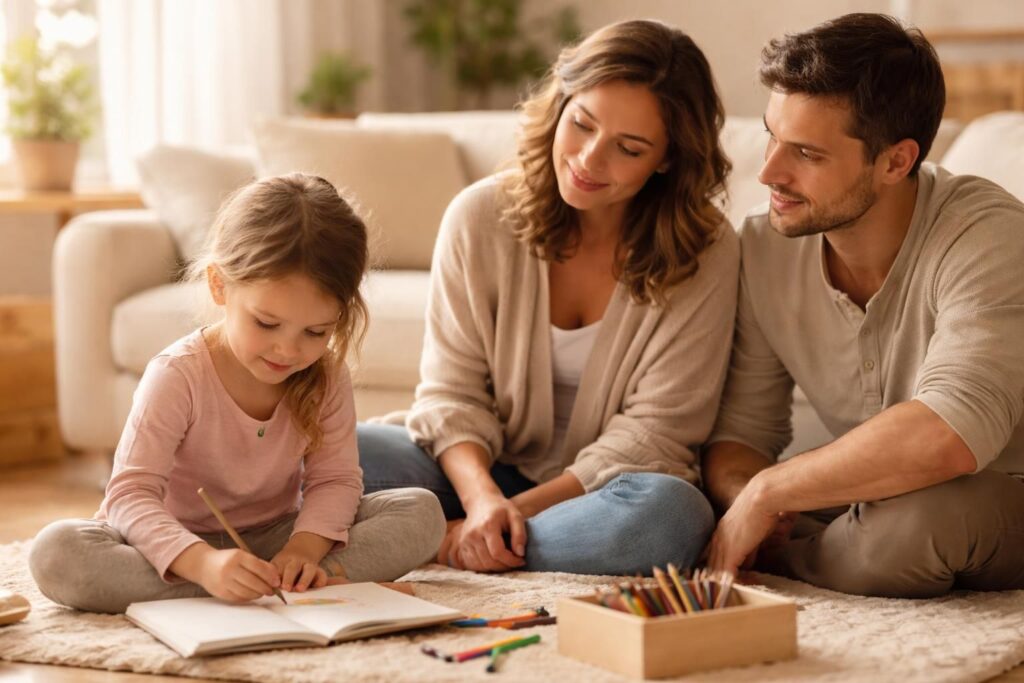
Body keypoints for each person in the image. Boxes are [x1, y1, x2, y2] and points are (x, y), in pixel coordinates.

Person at [358, 19, 739, 576]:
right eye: (581, 124)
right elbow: (450, 393)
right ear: (560, 104)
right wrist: (485, 499)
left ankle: (438, 542)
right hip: (480, 474)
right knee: (338, 453)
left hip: (611, 490)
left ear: (667, 159)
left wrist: (507, 515)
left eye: (627, 148)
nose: (588, 160)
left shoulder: (705, 250)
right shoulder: (479, 216)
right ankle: (484, 540)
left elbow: (656, 433)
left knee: (669, 521)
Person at [703, 13, 1024, 597]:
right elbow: (742, 434)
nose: (770, 171)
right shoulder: (765, 247)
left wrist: (768, 493)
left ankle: (804, 563)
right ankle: (818, 552)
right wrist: (750, 494)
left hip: (1003, 492)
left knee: (913, 527)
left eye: (805, 153)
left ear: (896, 162)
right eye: (772, 136)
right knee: (680, 503)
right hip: (866, 500)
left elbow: (950, 430)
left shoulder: (989, 234)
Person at [29, 174, 445, 613]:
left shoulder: (326, 377)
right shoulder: (177, 375)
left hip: (279, 535)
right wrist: (203, 564)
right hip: (172, 543)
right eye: (266, 324)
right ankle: (273, 590)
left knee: (421, 512)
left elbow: (335, 480)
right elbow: (130, 495)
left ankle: (268, 583)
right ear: (219, 285)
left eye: (316, 331)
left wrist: (304, 550)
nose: (288, 350)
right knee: (57, 553)